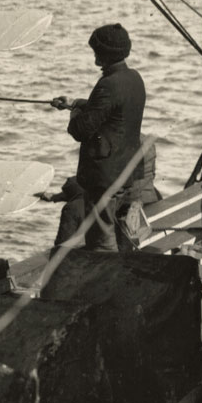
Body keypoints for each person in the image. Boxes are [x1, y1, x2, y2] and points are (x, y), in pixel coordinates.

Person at [51, 23, 146, 252]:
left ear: (105, 54)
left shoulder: (107, 84)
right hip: (127, 171)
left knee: (101, 239)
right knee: (121, 232)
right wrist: (75, 103)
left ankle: (108, 282)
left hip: (105, 177)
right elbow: (112, 111)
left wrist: (74, 113)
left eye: (97, 52)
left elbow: (80, 130)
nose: (95, 58)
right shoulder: (134, 78)